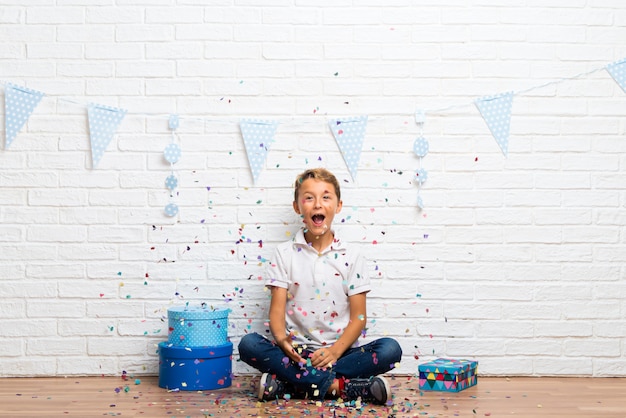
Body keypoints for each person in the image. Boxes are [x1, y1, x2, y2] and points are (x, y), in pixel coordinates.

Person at [238, 168, 402, 405]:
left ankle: (291, 385)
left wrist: (334, 352)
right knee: (249, 345)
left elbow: (358, 317)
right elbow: (276, 311)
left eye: (326, 197)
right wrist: (283, 341)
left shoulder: (352, 255)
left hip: (340, 353)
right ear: (297, 206)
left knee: (390, 349)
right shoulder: (284, 253)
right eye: (309, 197)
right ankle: (341, 388)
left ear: (338, 205)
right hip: (296, 354)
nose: (317, 204)